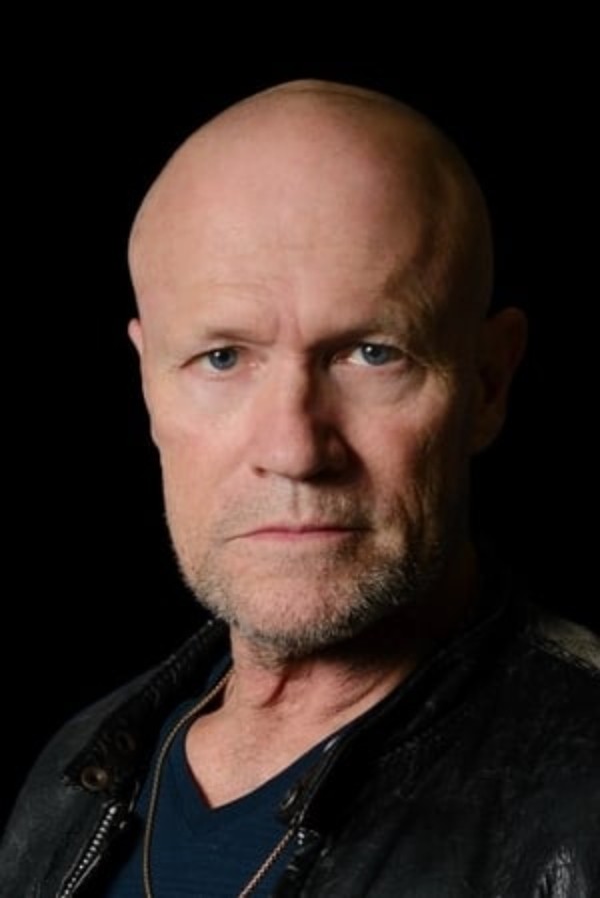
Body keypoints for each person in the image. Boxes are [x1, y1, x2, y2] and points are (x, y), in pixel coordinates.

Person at [1, 79, 598, 898]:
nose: (294, 450)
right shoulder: (72, 781)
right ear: (148, 386)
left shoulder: (581, 798)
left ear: (489, 383)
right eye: (221, 358)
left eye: (372, 354)